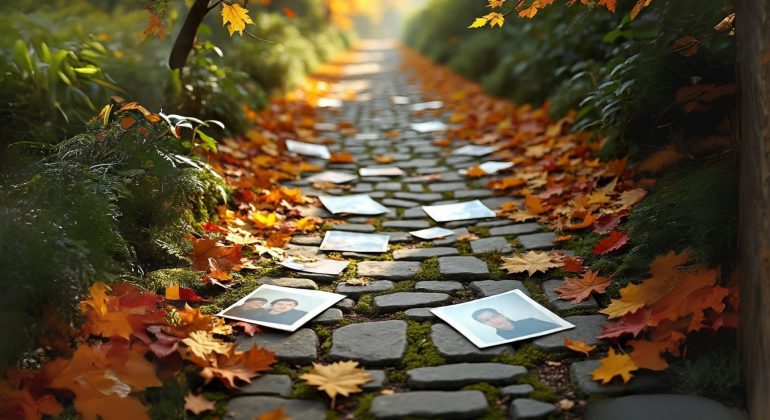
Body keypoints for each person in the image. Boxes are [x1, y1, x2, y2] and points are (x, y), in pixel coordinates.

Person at [471, 307, 559, 340]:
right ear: (484, 324)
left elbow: (557, 328)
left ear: (502, 315)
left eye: (494, 316)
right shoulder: (500, 338)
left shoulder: (529, 321)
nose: (494, 321)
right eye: (487, 320)